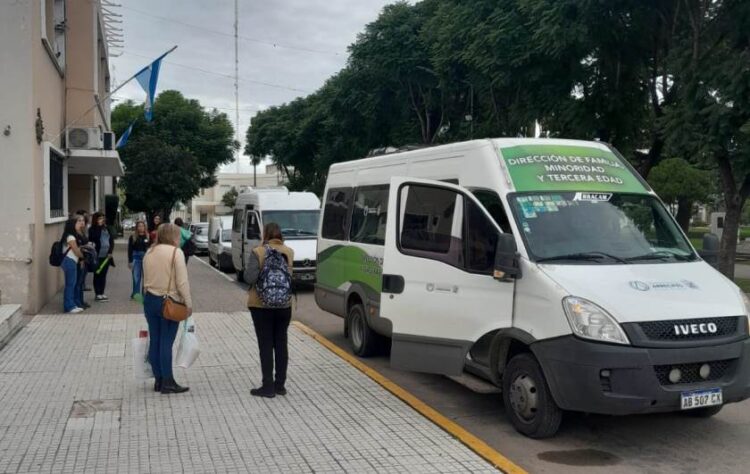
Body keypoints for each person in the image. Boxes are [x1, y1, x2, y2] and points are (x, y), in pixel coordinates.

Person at [143, 223, 193, 394]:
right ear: (173, 236)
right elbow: (182, 282)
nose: (180, 239)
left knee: (155, 340)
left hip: (150, 300)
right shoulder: (175, 253)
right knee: (166, 342)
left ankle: (158, 380)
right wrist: (188, 304)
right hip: (168, 302)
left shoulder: (149, 252)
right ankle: (168, 381)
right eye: (178, 236)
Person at [246, 222, 294, 398]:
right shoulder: (289, 252)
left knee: (265, 344)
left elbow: (249, 277)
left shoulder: (258, 252)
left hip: (261, 306)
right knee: (281, 343)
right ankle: (280, 385)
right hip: (284, 305)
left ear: (265, 234)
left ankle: (267, 386)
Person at [60, 216, 86, 313]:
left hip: (71, 261)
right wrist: (84, 256)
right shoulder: (70, 237)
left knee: (72, 283)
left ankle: (72, 304)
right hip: (69, 261)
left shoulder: (71, 236)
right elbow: (76, 251)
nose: (80, 224)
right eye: (77, 223)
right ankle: (69, 306)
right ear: (72, 225)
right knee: (70, 284)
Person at [88, 212, 115, 302]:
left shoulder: (107, 228)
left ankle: (102, 292)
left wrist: (110, 251)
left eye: (103, 218)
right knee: (97, 274)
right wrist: (99, 227)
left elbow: (111, 241)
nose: (102, 220)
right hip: (97, 255)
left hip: (106, 256)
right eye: (100, 218)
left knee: (103, 275)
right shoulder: (92, 229)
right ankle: (97, 294)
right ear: (96, 219)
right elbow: (93, 238)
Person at [128, 220, 150, 299]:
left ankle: (144, 294)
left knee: (146, 277)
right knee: (136, 276)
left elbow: (150, 248)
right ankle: (136, 294)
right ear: (137, 227)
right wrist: (130, 261)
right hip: (136, 257)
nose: (141, 227)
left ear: (145, 227)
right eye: (139, 226)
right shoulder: (133, 237)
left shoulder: (148, 236)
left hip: (145, 258)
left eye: (142, 226)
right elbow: (130, 249)